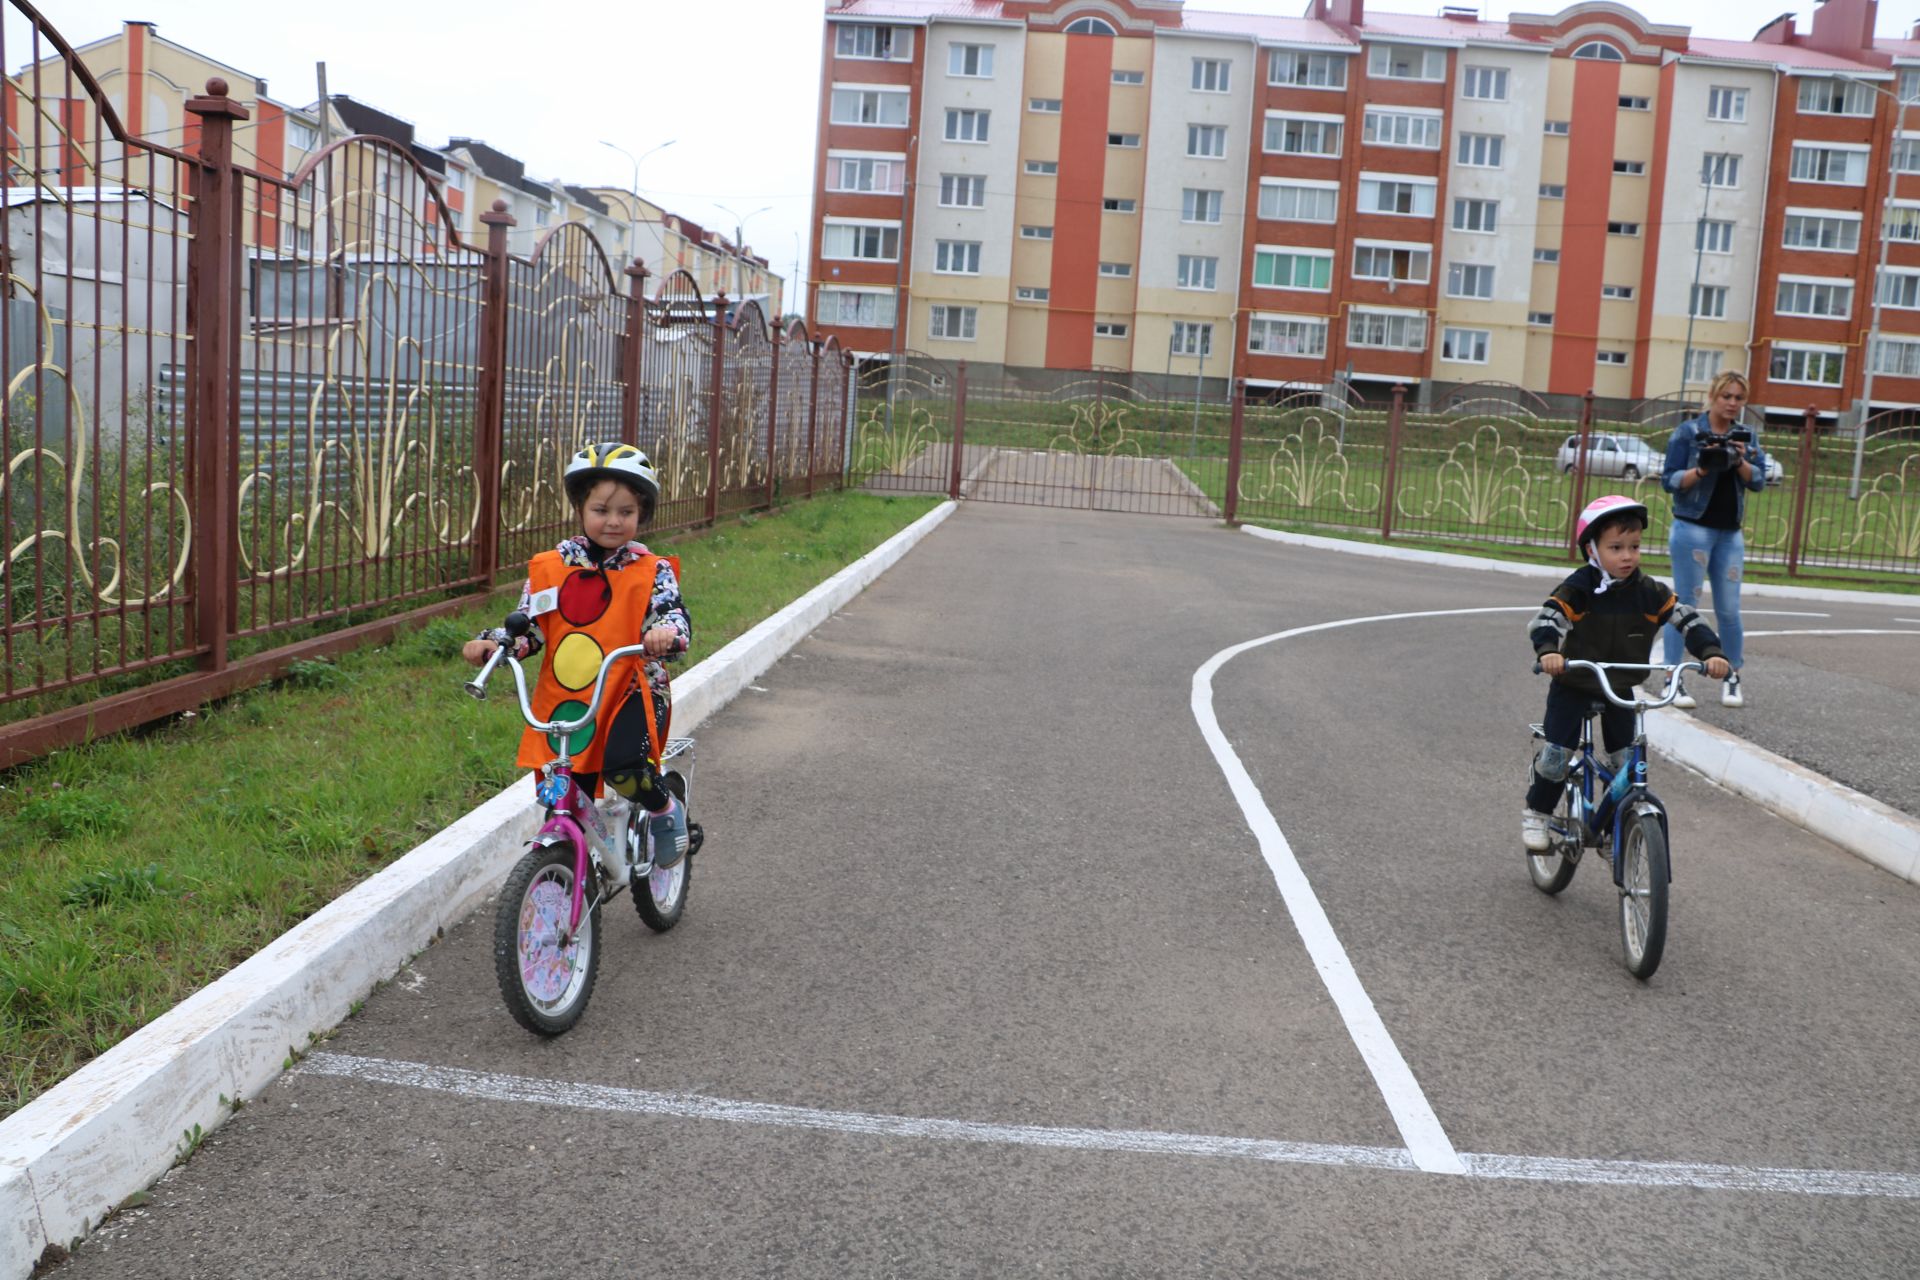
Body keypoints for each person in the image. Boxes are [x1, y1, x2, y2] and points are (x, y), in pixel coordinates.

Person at [462, 442, 693, 877]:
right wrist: (496, 644)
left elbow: (672, 616)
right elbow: (528, 627)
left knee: (625, 769)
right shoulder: (552, 568)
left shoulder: (651, 570)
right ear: (581, 509)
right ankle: (571, 870)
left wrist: (666, 633)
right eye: (601, 509)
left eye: (626, 511)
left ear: (641, 514)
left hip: (632, 688)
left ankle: (664, 810)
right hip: (571, 695)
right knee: (563, 788)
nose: (613, 520)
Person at [1522, 495, 1729, 852]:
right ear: (1592, 550)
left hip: (1618, 689)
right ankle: (1537, 813)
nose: (1628, 556)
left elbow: (1686, 618)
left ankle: (1615, 822)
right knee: (1557, 756)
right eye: (1616, 547)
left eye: (1634, 546)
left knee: (1625, 762)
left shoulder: (1649, 592)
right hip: (1574, 683)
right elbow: (1547, 619)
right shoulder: (1579, 588)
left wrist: (1711, 652)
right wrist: (1550, 651)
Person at [1658, 370, 1769, 708]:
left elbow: (1760, 480)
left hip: (1729, 534)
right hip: (1692, 527)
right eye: (1727, 397)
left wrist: (1739, 460)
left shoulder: (1746, 435)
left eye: (1739, 398)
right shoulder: (1688, 432)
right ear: (1714, 396)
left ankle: (1732, 676)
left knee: (1729, 610)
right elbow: (1669, 479)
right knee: (1685, 607)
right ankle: (1672, 679)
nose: (1733, 404)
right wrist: (1702, 469)